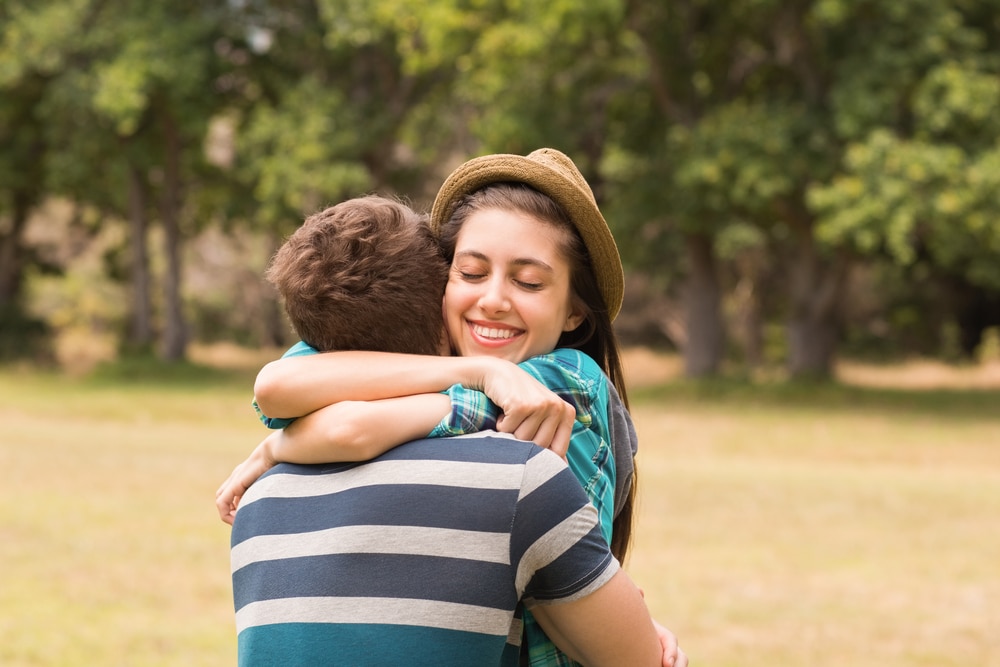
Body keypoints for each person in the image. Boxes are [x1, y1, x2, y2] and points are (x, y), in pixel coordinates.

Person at [219, 149, 662, 665]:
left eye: (530, 282)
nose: (493, 299)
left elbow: (350, 425)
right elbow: (277, 383)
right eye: (471, 273)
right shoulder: (441, 361)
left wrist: (278, 444)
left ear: (574, 313)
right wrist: (477, 370)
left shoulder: (569, 384)